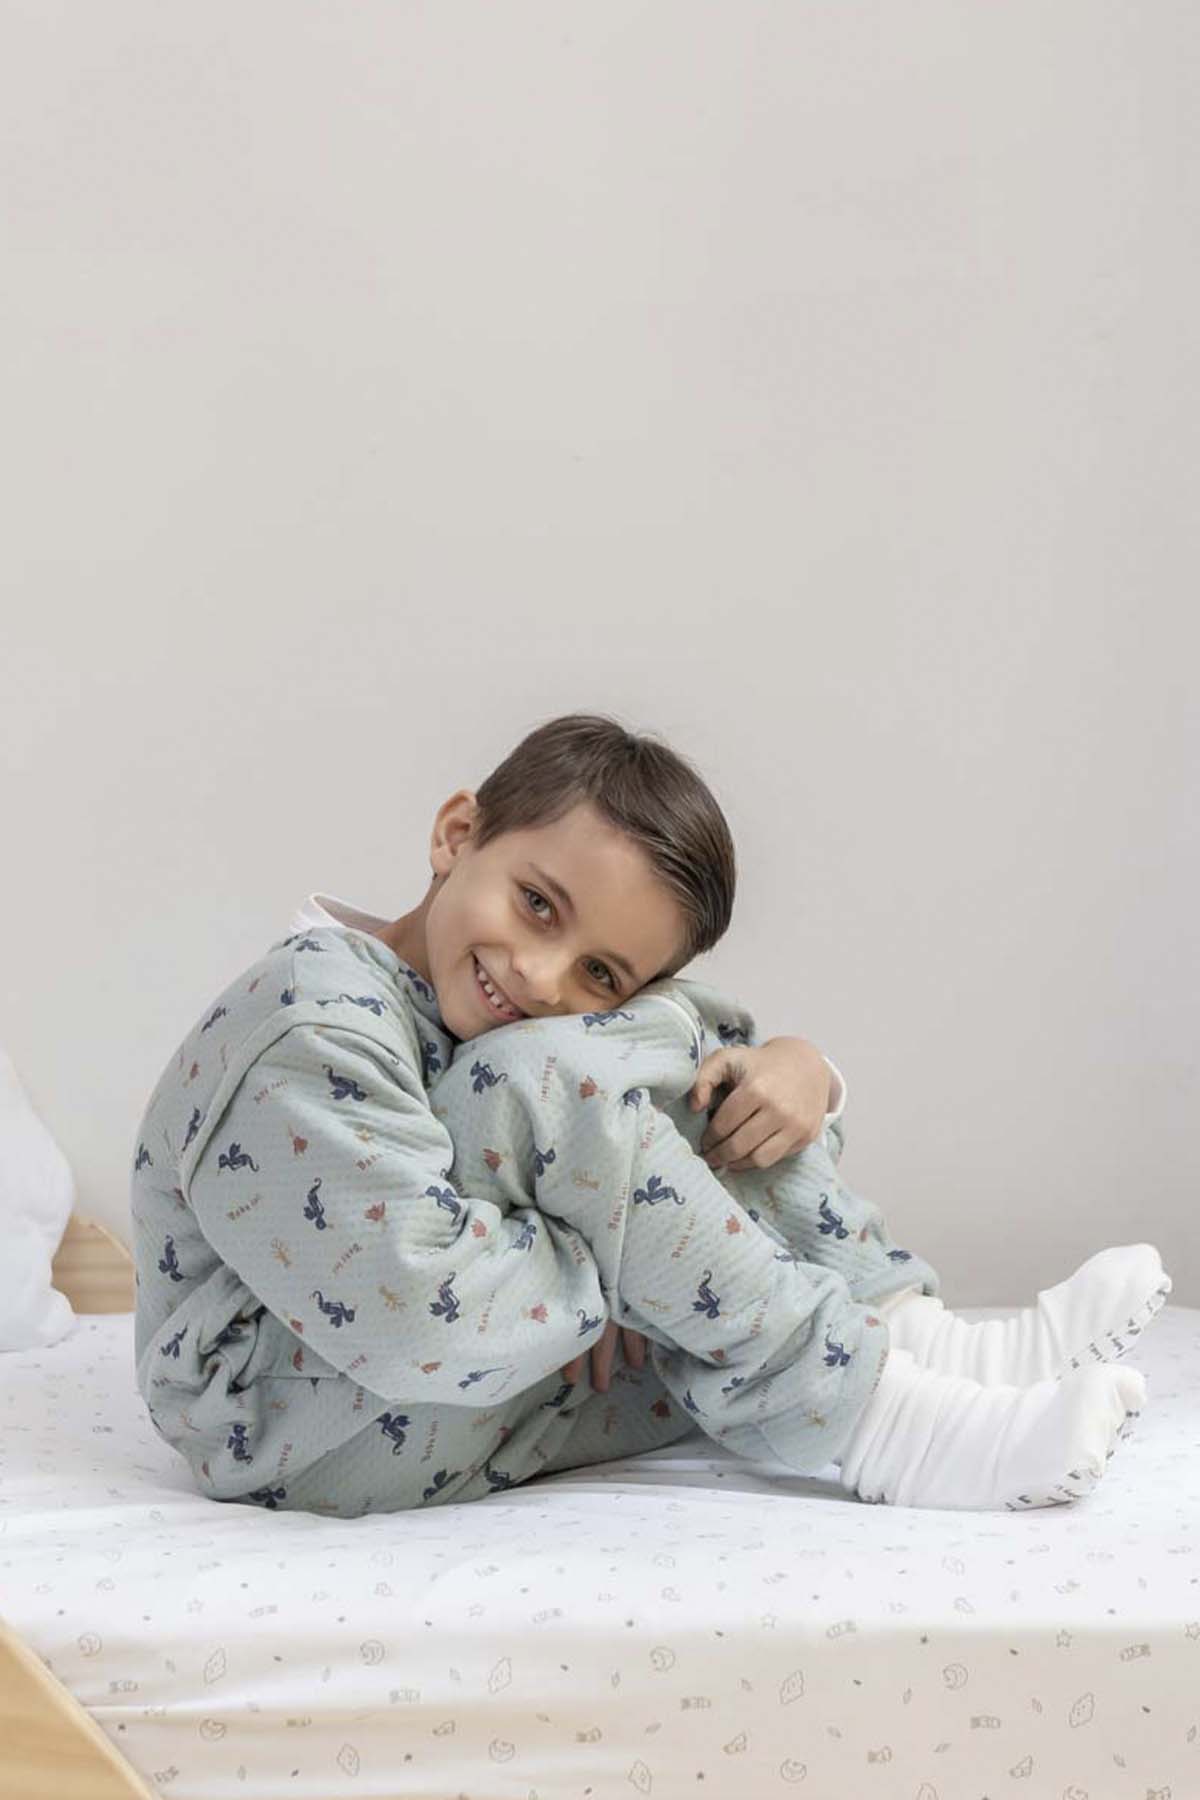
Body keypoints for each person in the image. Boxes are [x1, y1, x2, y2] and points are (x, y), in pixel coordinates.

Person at [131, 714, 1169, 1516]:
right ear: (457, 835)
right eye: (538, 903)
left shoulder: (491, 1015)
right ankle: (890, 1422)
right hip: (288, 1416)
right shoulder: (306, 1017)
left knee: (644, 1076)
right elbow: (413, 1313)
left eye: (600, 971)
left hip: (478, 1367)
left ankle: (912, 1341)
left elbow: (672, 1070)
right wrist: (625, 1272)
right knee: (553, 1078)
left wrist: (802, 1070)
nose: (541, 975)